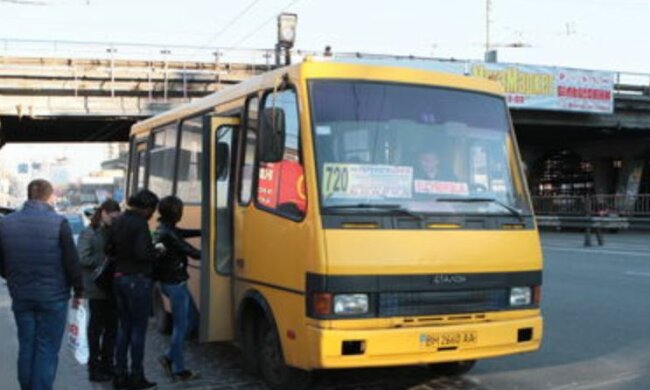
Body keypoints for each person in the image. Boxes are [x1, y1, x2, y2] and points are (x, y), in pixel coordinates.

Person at [0, 179, 84, 390]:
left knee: (26, 347)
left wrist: (13, 277)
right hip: (54, 297)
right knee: (46, 349)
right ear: (50, 196)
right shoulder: (59, 223)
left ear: (29, 195)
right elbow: (71, 261)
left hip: (22, 296)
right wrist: (79, 290)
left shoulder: (6, 223)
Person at [106, 189, 159, 390]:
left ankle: (120, 375)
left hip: (118, 277)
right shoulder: (139, 223)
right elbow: (142, 253)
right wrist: (156, 251)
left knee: (124, 328)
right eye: (152, 209)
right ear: (146, 208)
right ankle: (137, 376)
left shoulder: (118, 220)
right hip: (137, 279)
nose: (152, 213)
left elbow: (108, 249)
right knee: (138, 330)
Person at [153, 196, 201, 382]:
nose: (182, 213)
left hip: (172, 282)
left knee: (192, 320)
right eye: (180, 210)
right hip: (174, 284)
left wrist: (205, 230)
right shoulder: (168, 233)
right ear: (175, 212)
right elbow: (192, 252)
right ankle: (179, 369)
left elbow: (183, 233)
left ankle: (168, 357)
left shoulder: (166, 228)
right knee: (181, 327)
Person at [78, 199, 121, 383]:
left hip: (112, 286)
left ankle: (108, 365)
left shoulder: (115, 231)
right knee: (96, 329)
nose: (114, 220)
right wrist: (104, 261)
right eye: (112, 217)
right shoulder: (89, 232)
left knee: (112, 329)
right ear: (103, 212)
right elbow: (82, 257)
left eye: (116, 217)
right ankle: (94, 367)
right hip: (96, 286)